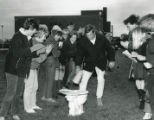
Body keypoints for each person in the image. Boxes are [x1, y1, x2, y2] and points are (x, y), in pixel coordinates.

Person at [0, 18, 42, 120]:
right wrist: (33, 48)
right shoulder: (17, 36)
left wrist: (39, 50)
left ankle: (14, 112)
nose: (34, 34)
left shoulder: (27, 37)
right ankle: (2, 115)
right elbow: (19, 53)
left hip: (22, 69)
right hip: (12, 69)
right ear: (30, 27)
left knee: (18, 93)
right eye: (34, 31)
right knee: (11, 92)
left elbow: (29, 53)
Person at [75, 24, 115, 106]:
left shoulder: (102, 38)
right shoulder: (82, 41)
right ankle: (81, 99)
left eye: (90, 35)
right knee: (83, 81)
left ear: (94, 33)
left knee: (101, 79)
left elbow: (110, 49)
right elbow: (79, 54)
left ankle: (99, 98)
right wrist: (78, 65)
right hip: (89, 62)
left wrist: (111, 60)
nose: (88, 37)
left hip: (100, 62)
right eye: (87, 35)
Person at [23, 25, 53, 113]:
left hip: (34, 68)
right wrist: (46, 53)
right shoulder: (31, 42)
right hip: (28, 67)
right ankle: (27, 107)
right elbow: (35, 58)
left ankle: (33, 105)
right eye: (44, 36)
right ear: (39, 35)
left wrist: (45, 53)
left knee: (34, 87)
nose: (45, 38)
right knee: (29, 88)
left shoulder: (39, 44)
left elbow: (39, 58)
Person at [138, 14, 154, 120]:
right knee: (149, 92)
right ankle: (148, 112)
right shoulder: (150, 38)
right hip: (151, 71)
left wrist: (152, 63)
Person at [41, 26, 62, 102]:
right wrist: (59, 50)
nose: (59, 37)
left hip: (46, 61)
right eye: (58, 35)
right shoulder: (52, 41)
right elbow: (56, 54)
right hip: (51, 61)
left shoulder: (48, 39)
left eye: (59, 36)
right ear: (54, 34)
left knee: (47, 79)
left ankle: (44, 96)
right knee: (50, 79)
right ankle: (49, 97)